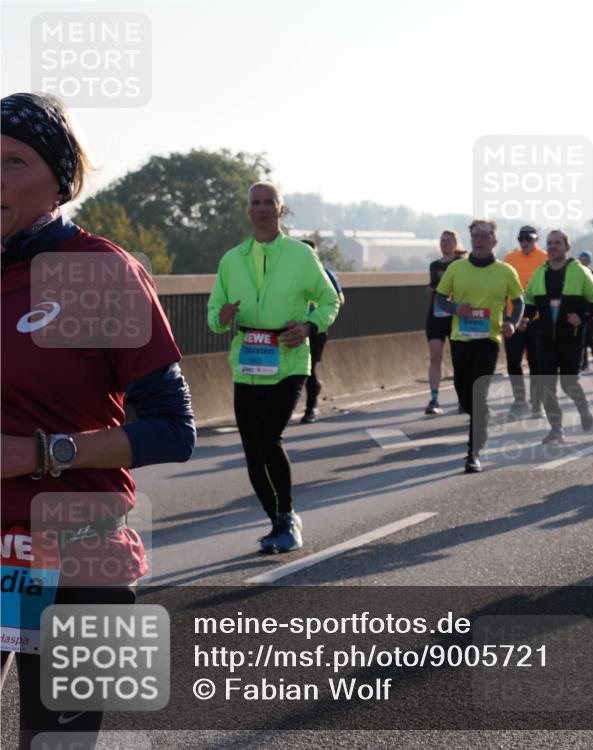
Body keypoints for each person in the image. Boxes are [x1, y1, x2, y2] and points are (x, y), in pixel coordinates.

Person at [1, 92, 196, 746]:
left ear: (59, 179)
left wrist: (40, 454)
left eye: (13, 163)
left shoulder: (102, 272)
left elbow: (173, 428)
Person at [208, 182, 340, 553]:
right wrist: (222, 316)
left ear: (281, 210)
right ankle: (278, 520)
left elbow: (330, 300)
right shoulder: (231, 259)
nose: (263, 208)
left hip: (289, 359)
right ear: (249, 209)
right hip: (247, 361)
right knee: (252, 448)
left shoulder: (301, 256)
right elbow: (213, 314)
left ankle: (287, 516)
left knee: (268, 438)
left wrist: (310, 327)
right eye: (256, 203)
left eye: (270, 203)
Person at [434, 219, 523, 472]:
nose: (480, 240)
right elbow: (440, 299)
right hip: (460, 338)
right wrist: (456, 308)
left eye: (485, 236)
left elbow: (519, 302)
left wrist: (513, 323)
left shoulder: (506, 271)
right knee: (463, 391)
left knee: (477, 392)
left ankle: (473, 454)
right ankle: (481, 417)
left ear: (494, 240)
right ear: (471, 239)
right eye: (475, 236)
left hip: (489, 340)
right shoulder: (456, 268)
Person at [522, 230, 593, 444]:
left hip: (571, 338)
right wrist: (525, 318)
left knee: (569, 383)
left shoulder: (579, 271)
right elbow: (529, 301)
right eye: (550, 243)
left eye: (558, 243)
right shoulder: (540, 273)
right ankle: (556, 428)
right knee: (546, 384)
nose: (553, 246)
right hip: (545, 338)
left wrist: (582, 316)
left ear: (567, 247)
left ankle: (584, 411)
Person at [501, 226, 547, 417]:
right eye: (522, 239)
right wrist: (504, 316)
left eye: (529, 238)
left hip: (537, 319)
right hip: (513, 318)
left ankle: (537, 403)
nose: (525, 242)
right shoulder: (509, 260)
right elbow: (502, 288)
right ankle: (520, 400)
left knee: (536, 362)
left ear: (536, 239)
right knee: (513, 361)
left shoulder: (545, 258)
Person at [299, 238, 345, 423]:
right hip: (293, 327)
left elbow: (340, 299)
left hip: (315, 329)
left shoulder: (325, 275)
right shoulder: (292, 275)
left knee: (308, 370)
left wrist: (318, 314)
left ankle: (310, 408)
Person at [424, 230, 467, 415]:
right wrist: (430, 290)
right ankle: (434, 399)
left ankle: (463, 399)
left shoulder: (460, 264)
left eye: (449, 241)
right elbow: (435, 288)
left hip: (455, 316)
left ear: (456, 243)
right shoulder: (434, 265)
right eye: (442, 240)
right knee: (435, 357)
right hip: (435, 315)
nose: (445, 244)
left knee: (459, 359)